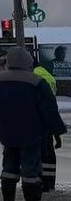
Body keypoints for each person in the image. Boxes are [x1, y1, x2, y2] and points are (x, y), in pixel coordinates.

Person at [0, 47, 66, 201]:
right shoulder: (36, 81)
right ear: (28, 61)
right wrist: (57, 132)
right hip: (32, 134)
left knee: (8, 168)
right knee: (31, 171)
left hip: (7, 134)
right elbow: (49, 110)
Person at [34, 61, 62, 192]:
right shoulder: (47, 74)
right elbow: (52, 104)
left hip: (38, 121)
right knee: (49, 153)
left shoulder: (34, 76)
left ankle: (43, 183)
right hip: (48, 120)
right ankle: (50, 183)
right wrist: (57, 130)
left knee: (40, 154)